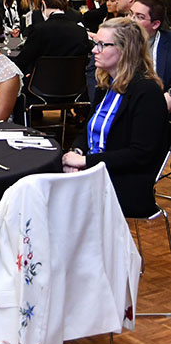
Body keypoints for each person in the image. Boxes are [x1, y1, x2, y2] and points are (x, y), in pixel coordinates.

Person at [62, 17, 168, 218]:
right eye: (95, 44)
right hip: (99, 172)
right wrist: (76, 150)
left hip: (126, 182)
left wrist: (85, 161)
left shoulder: (147, 92)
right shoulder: (107, 84)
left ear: (125, 50)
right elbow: (90, 129)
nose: (94, 50)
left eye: (102, 45)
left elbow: (140, 155)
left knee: (45, 197)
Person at [16, 0, 90, 79]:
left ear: (43, 4)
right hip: (74, 85)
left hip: (41, 85)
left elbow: (23, 60)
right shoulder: (81, 31)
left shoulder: (39, 30)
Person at [129, 0, 171, 108]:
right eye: (130, 14)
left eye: (140, 17)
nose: (131, 20)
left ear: (155, 24)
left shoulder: (168, 42)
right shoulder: (116, 39)